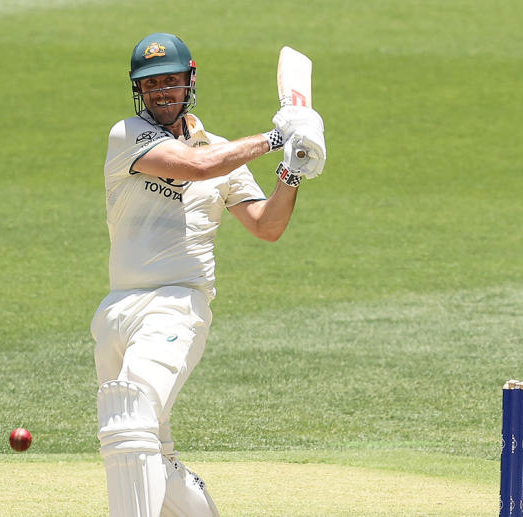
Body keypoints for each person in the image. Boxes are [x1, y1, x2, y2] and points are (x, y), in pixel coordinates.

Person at [91, 32, 326, 517]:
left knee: (131, 420)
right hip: (116, 311)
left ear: (189, 81)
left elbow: (266, 225)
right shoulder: (128, 136)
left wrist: (293, 170)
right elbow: (196, 166)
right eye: (150, 84)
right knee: (149, 446)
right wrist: (277, 136)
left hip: (176, 307)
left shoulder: (223, 151)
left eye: (170, 81)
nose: (160, 92)